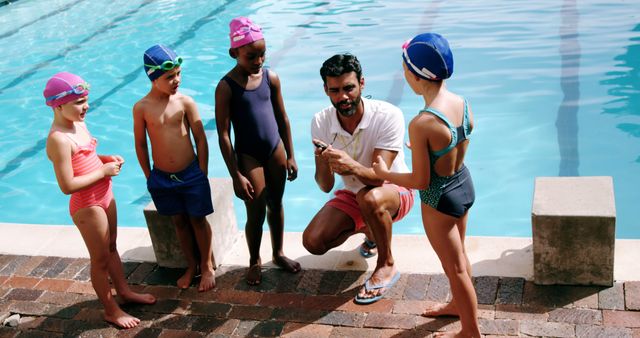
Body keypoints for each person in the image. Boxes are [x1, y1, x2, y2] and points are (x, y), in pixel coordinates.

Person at [372, 33, 480, 337]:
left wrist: (386, 171)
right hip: (463, 185)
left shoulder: (422, 123)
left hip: (439, 200)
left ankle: (471, 332)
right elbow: (455, 141)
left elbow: (420, 181)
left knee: (455, 268)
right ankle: (458, 307)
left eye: (404, 68)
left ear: (416, 75)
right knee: (460, 259)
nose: (403, 74)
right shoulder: (461, 102)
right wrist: (423, 150)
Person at [44, 72, 156, 329]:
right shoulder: (58, 139)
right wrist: (102, 172)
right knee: (100, 259)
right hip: (87, 204)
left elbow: (85, 158)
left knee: (112, 246)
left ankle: (124, 292)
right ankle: (110, 309)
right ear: (58, 105)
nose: (85, 107)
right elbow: (67, 185)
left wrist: (104, 159)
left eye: (85, 100)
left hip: (104, 193)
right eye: (78, 102)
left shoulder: (78, 123)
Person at [304, 54, 415, 304]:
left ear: (362, 84)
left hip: (394, 189)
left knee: (370, 196)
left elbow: (379, 178)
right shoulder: (321, 121)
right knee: (313, 241)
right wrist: (323, 160)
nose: (342, 97)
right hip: (355, 194)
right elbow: (326, 186)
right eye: (334, 90)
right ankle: (372, 232)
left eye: (348, 88)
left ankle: (386, 264)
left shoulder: (388, 115)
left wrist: (349, 165)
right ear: (325, 90)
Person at [215, 17, 301, 285]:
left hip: (274, 149)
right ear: (234, 53)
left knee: (277, 203)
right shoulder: (226, 87)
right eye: (251, 56)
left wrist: (291, 154)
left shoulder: (270, 77)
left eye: (262, 54)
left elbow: (283, 118)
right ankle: (254, 260)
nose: (259, 60)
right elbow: (223, 135)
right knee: (256, 211)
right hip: (248, 156)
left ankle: (278, 253)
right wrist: (235, 175)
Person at [133, 44, 216, 292]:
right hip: (162, 177)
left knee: (198, 220)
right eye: (170, 77)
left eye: (178, 74)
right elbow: (140, 144)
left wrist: (202, 171)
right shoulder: (141, 108)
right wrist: (149, 175)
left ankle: (207, 265)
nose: (176, 80)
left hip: (191, 173)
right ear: (153, 77)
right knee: (179, 222)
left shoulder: (184, 102)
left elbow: (200, 137)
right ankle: (191, 266)